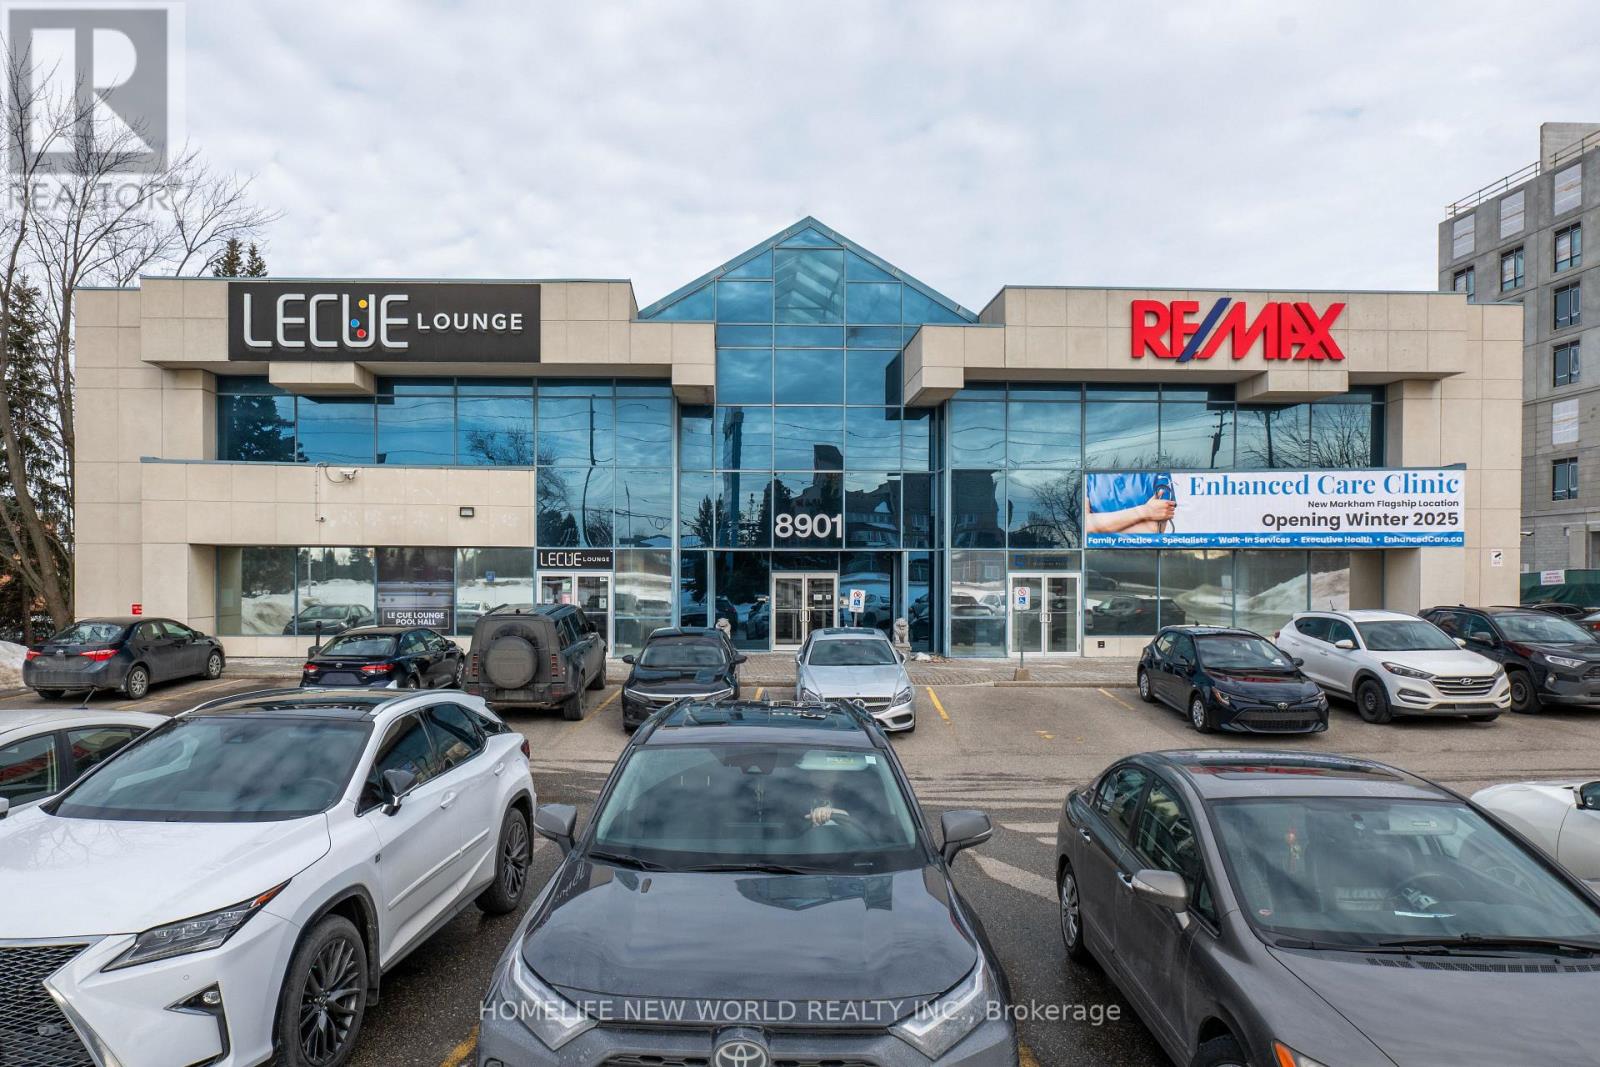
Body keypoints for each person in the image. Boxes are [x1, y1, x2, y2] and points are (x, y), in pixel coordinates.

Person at [1085, 472, 1177, 533]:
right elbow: (1085, 525)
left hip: (1145, 554)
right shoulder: (1087, 475)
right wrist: (1145, 511)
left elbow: (1154, 529)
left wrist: (1099, 528)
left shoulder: (1159, 473)